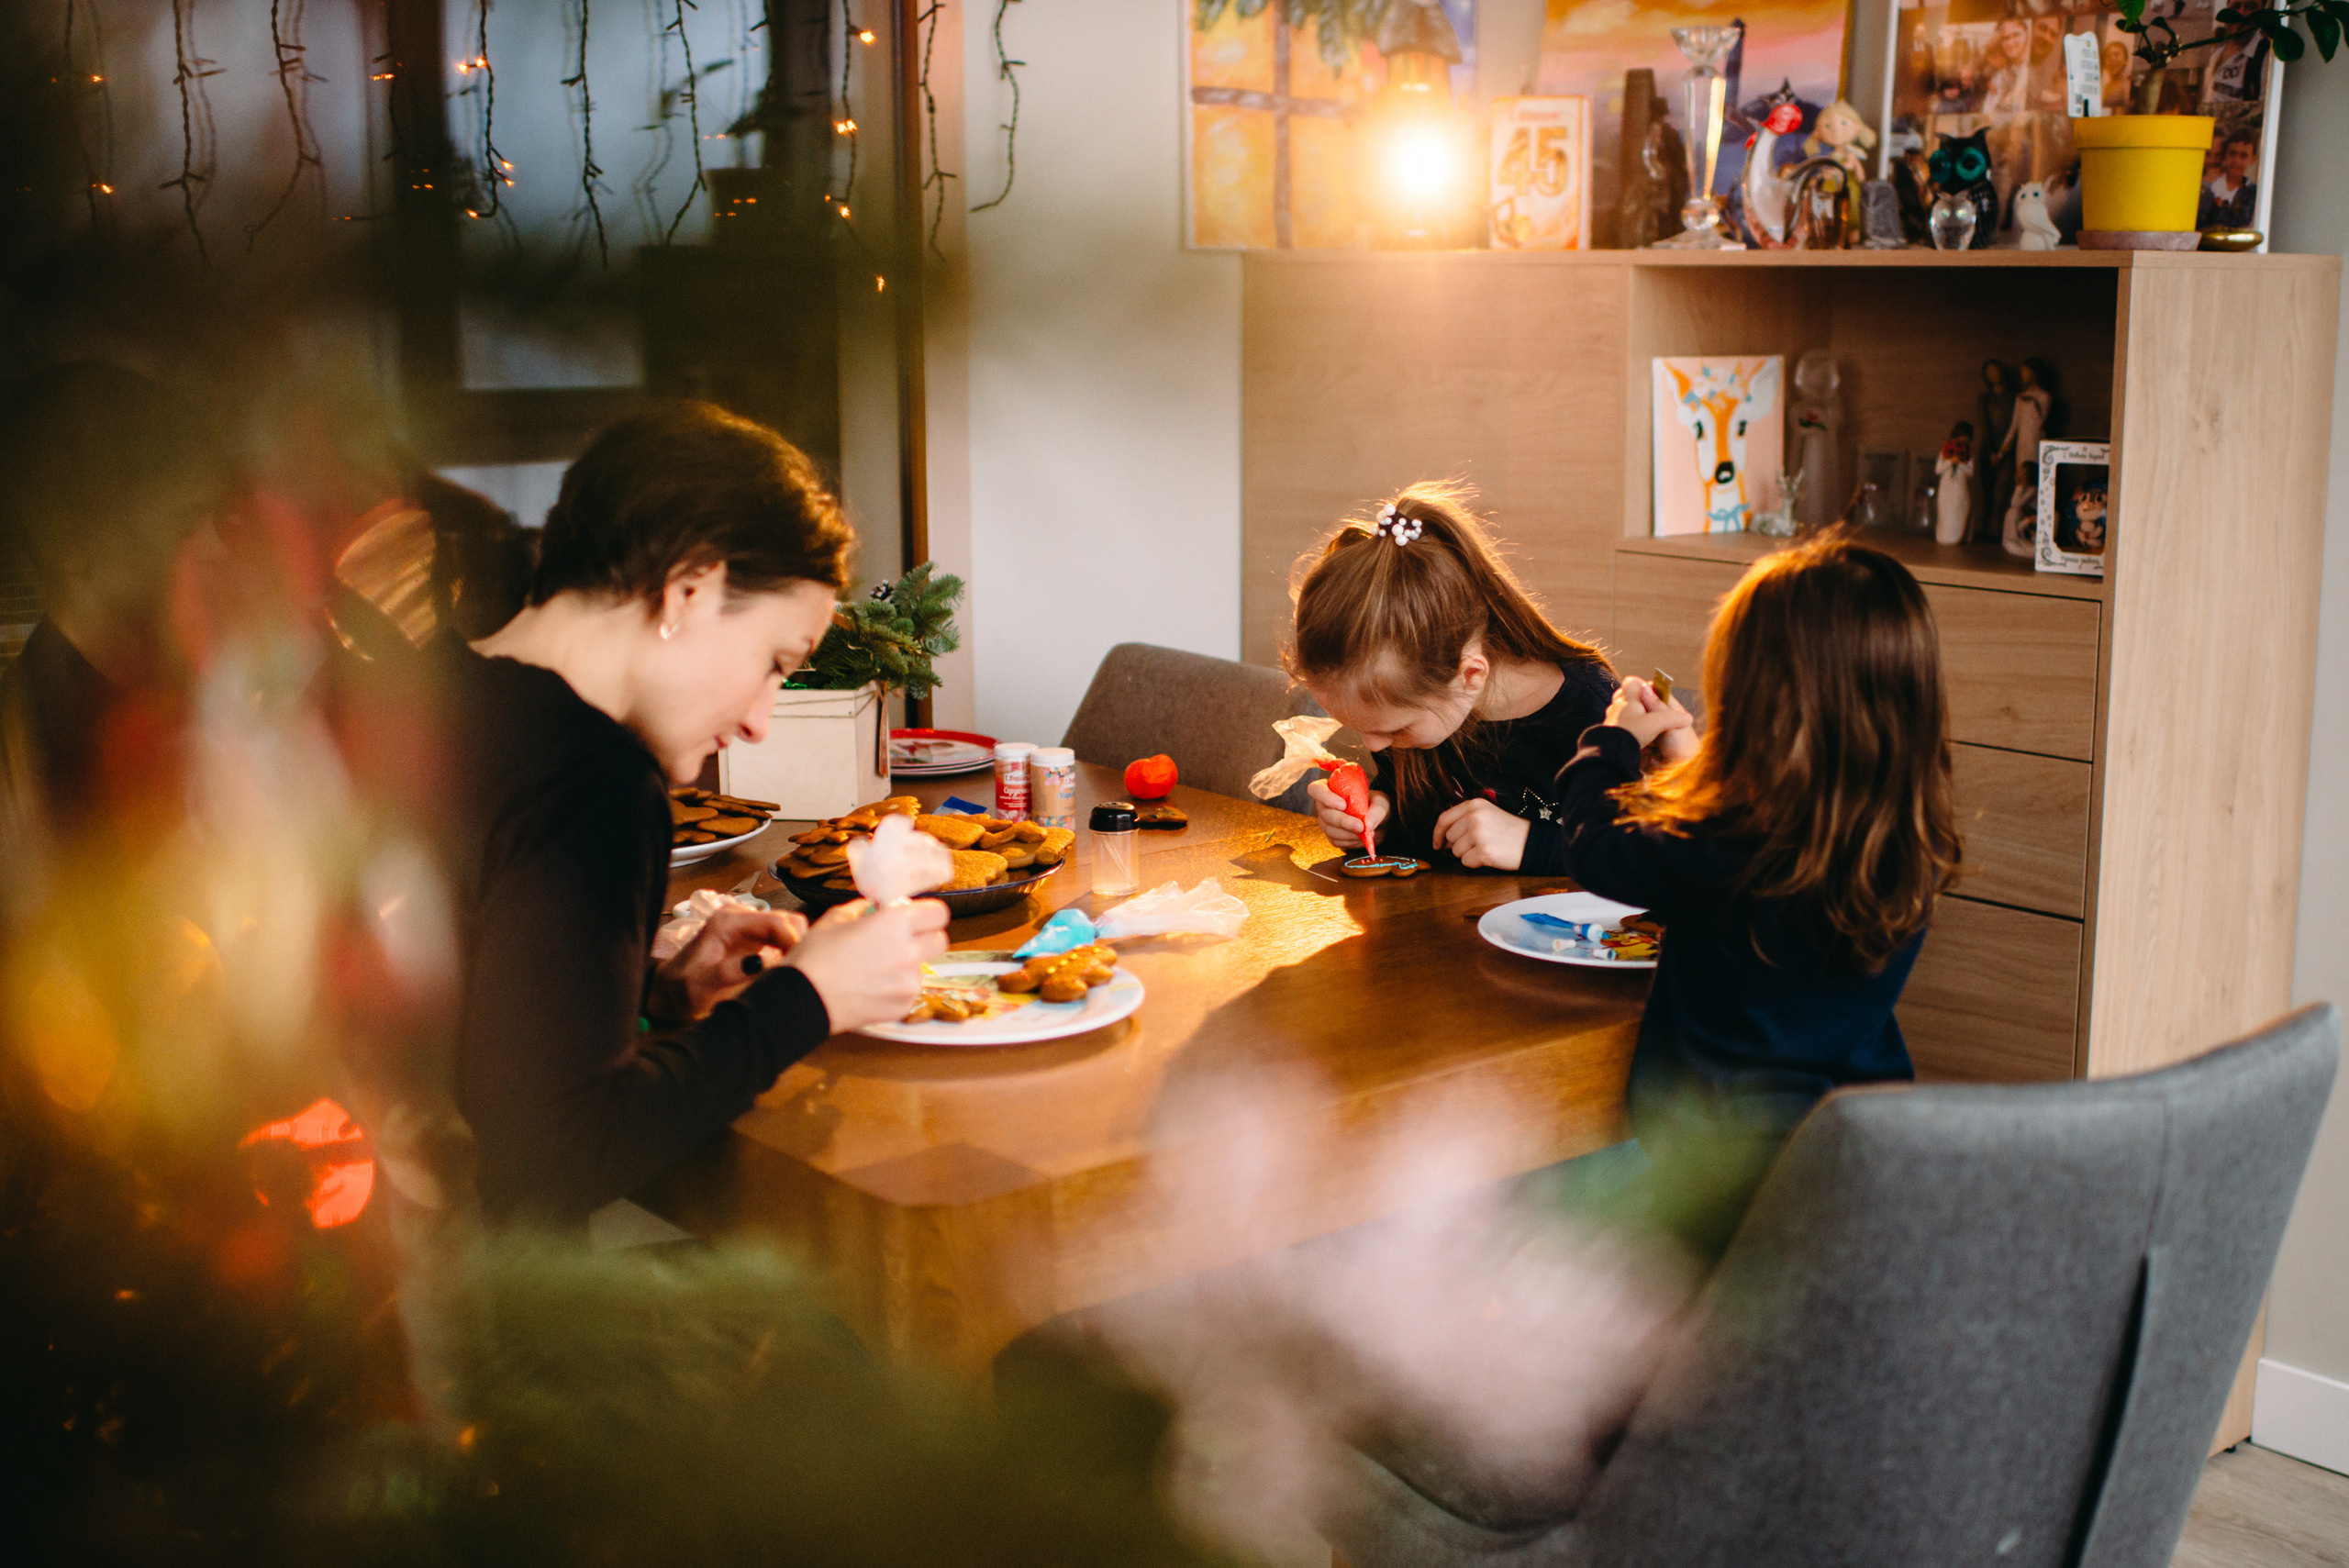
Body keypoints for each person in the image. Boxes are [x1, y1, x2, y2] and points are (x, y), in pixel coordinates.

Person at [422, 401, 948, 1225]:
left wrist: (649, 1000)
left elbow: (462, 1042)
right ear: (689, 589)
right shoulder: (595, 781)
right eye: (777, 663)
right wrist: (809, 997)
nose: (760, 719)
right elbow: (553, 1156)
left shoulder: (437, 695)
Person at [1557, 535, 1961, 1256]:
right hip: (1853, 1170)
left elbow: (1591, 841)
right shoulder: (1907, 845)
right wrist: (1690, 768)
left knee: (1537, 1235)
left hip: (1717, 1179)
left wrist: (1612, 742)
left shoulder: (1725, 849)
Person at [1283, 484, 1616, 874]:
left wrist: (1532, 844)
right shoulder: (1426, 707)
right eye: (1359, 727)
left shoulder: (1597, 714)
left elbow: (1656, 858)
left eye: (1393, 730)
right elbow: (1425, 824)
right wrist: (1384, 816)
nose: (1372, 744)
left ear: (1470, 675)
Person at [2199, 133, 2260, 228]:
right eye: (2232, 153)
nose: (2236, 160)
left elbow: (2242, 222)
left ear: (2253, 159)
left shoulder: (2252, 191)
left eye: (2243, 156)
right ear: (2225, 155)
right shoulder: (2210, 182)